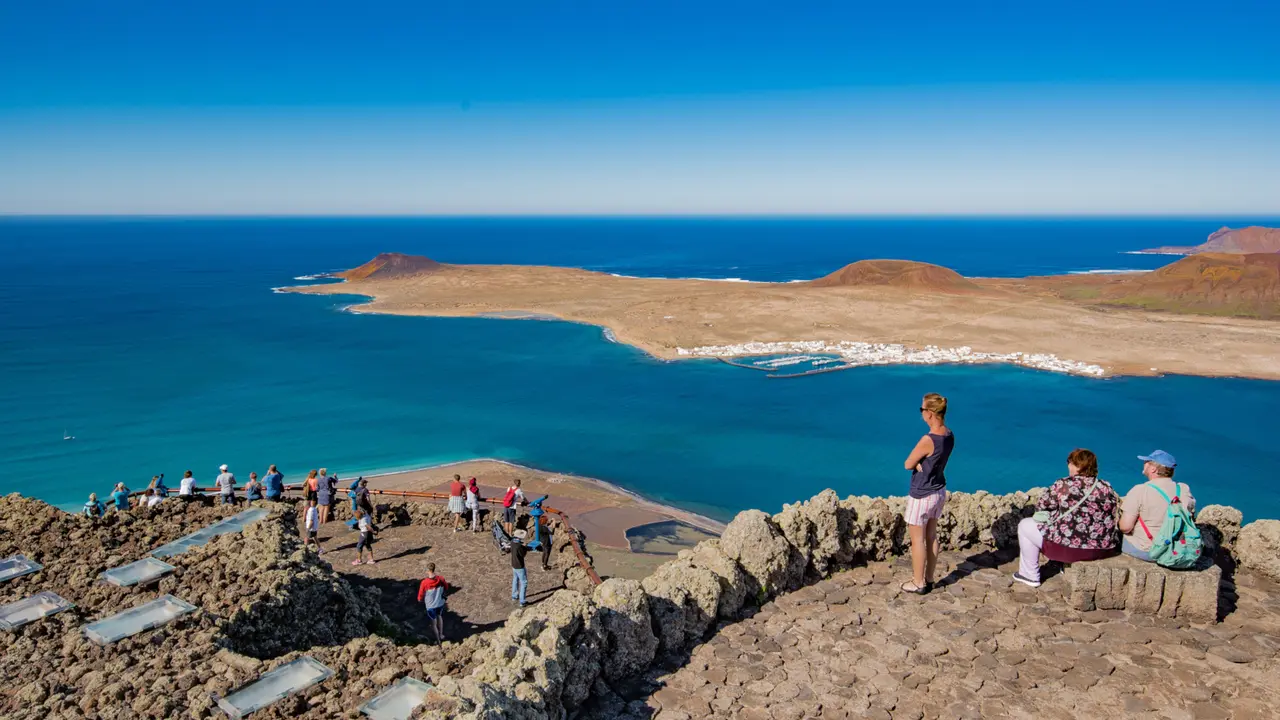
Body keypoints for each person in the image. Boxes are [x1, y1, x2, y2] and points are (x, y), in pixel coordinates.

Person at [1014, 448, 1120, 587]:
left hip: (1069, 551)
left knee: (1025, 525)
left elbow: (1042, 505)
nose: (1068, 466)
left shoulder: (1064, 485)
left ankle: (1030, 575)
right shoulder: (1106, 487)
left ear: (1078, 466)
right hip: (1101, 549)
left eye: (1070, 463)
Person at [900, 392, 953, 595]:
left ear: (930, 413)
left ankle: (918, 581)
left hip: (921, 493)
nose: (921, 413)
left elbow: (907, 464)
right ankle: (930, 578)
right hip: (939, 490)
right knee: (932, 536)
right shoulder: (948, 435)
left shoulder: (927, 439)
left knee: (917, 540)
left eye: (922, 409)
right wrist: (924, 461)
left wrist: (920, 462)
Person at [1119, 450, 1195, 562]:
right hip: (1176, 550)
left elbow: (1125, 527)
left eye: (1146, 462)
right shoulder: (1183, 489)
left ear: (1153, 468)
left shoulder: (1140, 490)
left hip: (1148, 550)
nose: (1144, 464)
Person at [417, 563, 450, 645]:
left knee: (433, 623)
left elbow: (420, 595)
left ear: (427, 570)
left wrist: (419, 600)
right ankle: (441, 634)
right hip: (440, 602)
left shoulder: (424, 582)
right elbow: (446, 587)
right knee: (439, 616)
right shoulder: (441, 579)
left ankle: (438, 641)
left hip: (431, 605)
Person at [511, 530, 529, 606]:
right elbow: (523, 554)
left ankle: (514, 596)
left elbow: (517, 544)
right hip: (519, 566)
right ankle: (522, 601)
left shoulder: (512, 542)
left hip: (513, 564)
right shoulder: (519, 546)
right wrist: (525, 547)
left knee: (515, 579)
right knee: (524, 582)